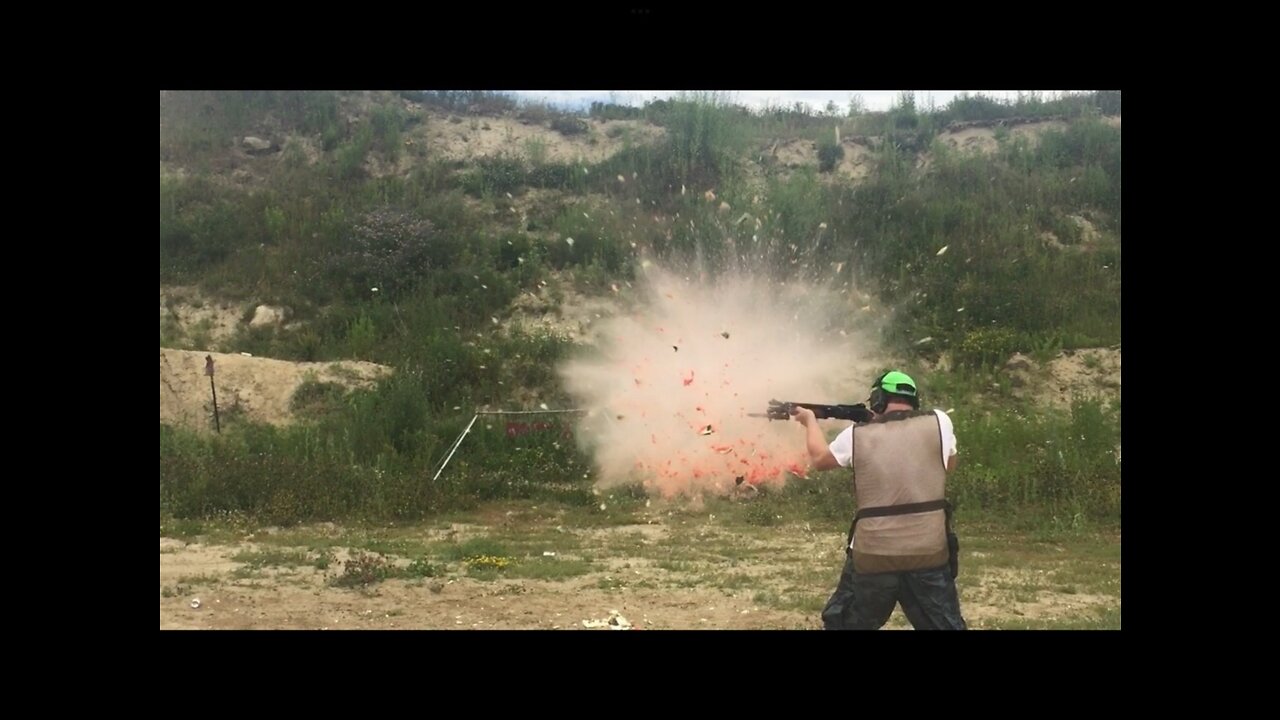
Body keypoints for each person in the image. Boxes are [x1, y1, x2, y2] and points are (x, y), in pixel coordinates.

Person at [790, 370, 966, 630]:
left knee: (846, 624)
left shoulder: (858, 434)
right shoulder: (940, 421)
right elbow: (948, 464)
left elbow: (819, 460)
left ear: (878, 400)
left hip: (874, 554)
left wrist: (810, 422)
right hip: (928, 550)